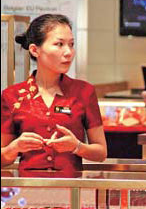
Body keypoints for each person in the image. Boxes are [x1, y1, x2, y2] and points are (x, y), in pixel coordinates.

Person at [1, 14, 107, 175]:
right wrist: (15, 147)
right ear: (35, 50)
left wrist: (77, 146)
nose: (68, 52)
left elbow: (101, 152)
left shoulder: (84, 91)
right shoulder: (12, 96)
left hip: (72, 191)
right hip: (28, 190)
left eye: (71, 45)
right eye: (59, 44)